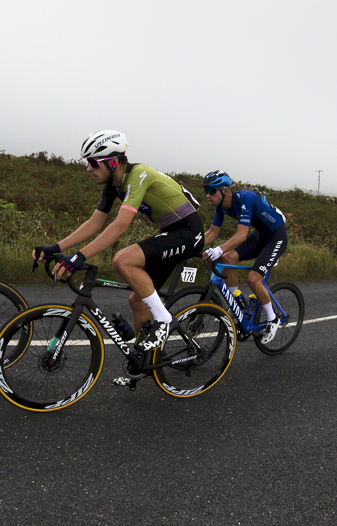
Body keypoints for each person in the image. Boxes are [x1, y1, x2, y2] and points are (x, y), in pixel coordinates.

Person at [35, 130, 204, 384]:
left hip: (188, 232)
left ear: (113, 162)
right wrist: (56, 246)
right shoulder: (113, 185)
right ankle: (146, 361)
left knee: (123, 259)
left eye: (93, 163)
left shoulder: (138, 174)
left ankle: (164, 320)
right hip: (170, 233)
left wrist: (79, 256)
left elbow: (120, 225)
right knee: (137, 300)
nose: (88, 169)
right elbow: (95, 222)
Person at [201, 170, 287, 344]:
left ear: (225, 190)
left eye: (211, 190)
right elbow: (212, 233)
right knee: (228, 258)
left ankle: (273, 319)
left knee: (253, 279)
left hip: (276, 236)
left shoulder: (244, 199)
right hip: (260, 235)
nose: (208, 195)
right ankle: (238, 301)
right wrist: (191, 246)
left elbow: (241, 235)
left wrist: (217, 250)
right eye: (206, 191)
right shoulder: (220, 207)